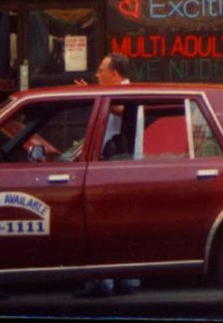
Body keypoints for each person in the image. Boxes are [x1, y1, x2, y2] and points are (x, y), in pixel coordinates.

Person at [74, 53, 139, 298]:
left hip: (116, 169)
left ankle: (104, 282)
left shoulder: (126, 92)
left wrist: (95, 94)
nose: (97, 75)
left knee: (102, 226)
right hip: (122, 169)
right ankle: (125, 279)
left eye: (101, 71)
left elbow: (123, 111)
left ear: (114, 74)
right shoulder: (122, 91)